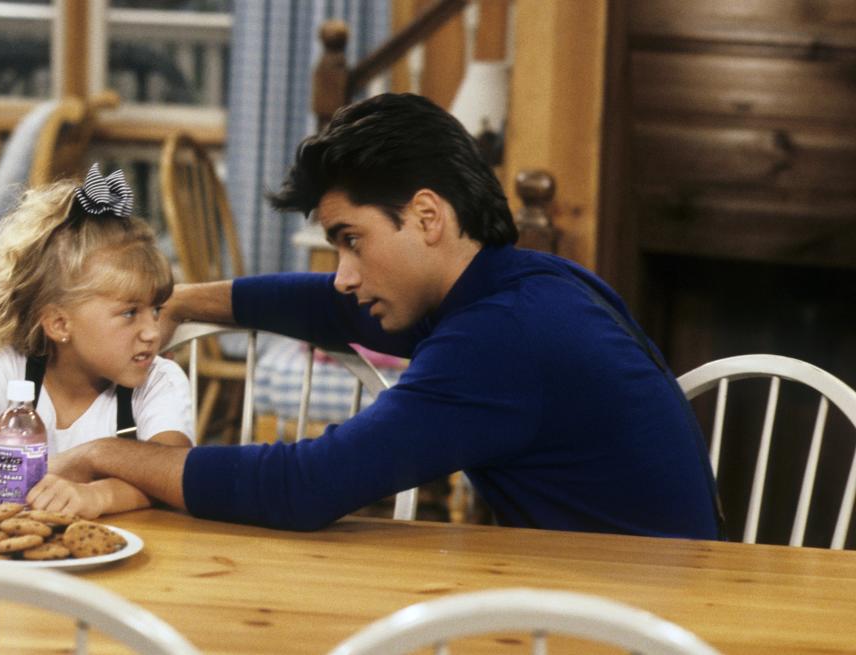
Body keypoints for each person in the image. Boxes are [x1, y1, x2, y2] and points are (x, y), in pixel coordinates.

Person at [49, 93, 722, 539]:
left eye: (350, 239)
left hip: (631, 625)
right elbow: (322, 303)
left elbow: (305, 486)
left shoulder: (498, 338)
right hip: (607, 593)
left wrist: (110, 452)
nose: (342, 272)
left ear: (427, 216)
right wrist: (184, 300)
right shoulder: (514, 285)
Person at [0, 164, 194, 518]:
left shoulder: (160, 381)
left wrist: (100, 497)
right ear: (60, 323)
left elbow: (172, 470)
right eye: (129, 313)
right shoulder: (5, 365)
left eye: (155, 309)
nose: (153, 331)